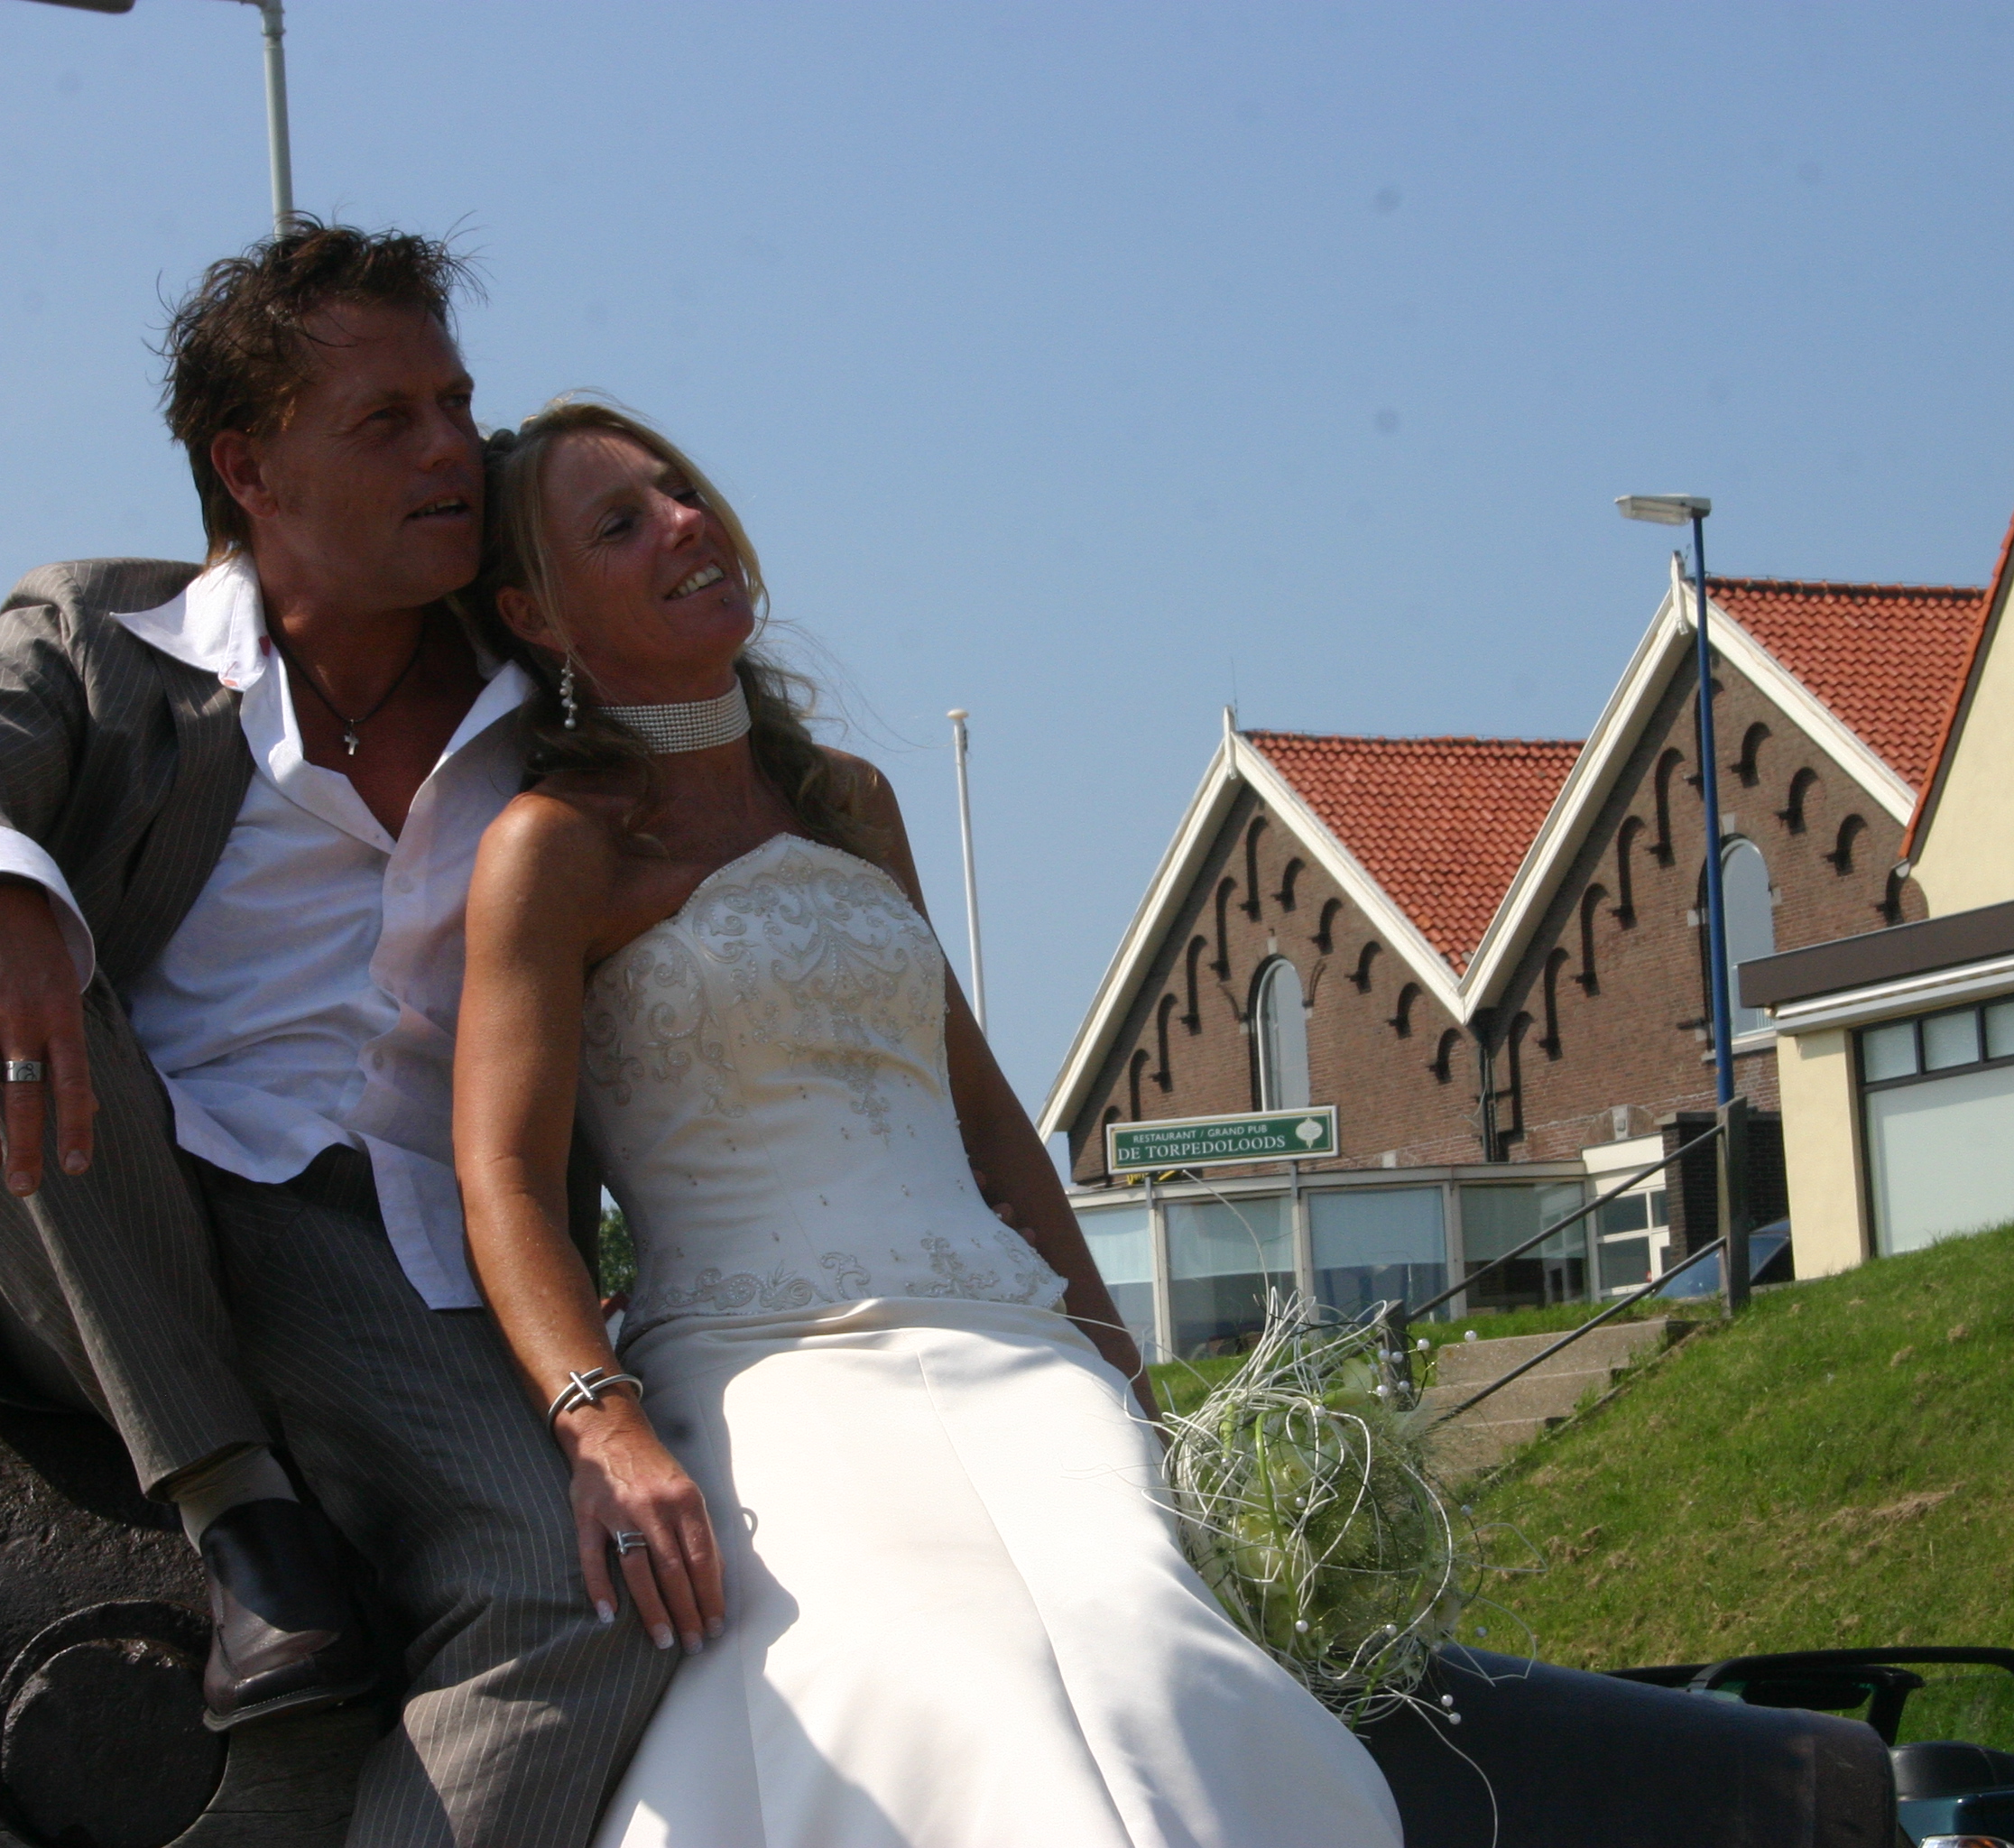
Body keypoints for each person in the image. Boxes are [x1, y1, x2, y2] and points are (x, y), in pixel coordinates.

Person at [0, 224, 669, 1847]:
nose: (450, 452)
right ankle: (237, 1508)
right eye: (386, 419)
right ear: (249, 467)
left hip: (411, 1240)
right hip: (106, 1188)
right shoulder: (106, 642)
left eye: (455, 405)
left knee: (579, 1589)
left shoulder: (542, 675)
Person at [450, 401, 1405, 1847]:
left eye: (681, 489)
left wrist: (1114, 1357)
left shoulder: (851, 804)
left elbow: (987, 1120)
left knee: (1144, 1640)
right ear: (537, 613)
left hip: (1015, 1345)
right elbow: (505, 1179)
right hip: (766, 1370)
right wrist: (603, 1423)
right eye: (621, 524)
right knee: (946, 1673)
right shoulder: (552, 848)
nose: (687, 523)